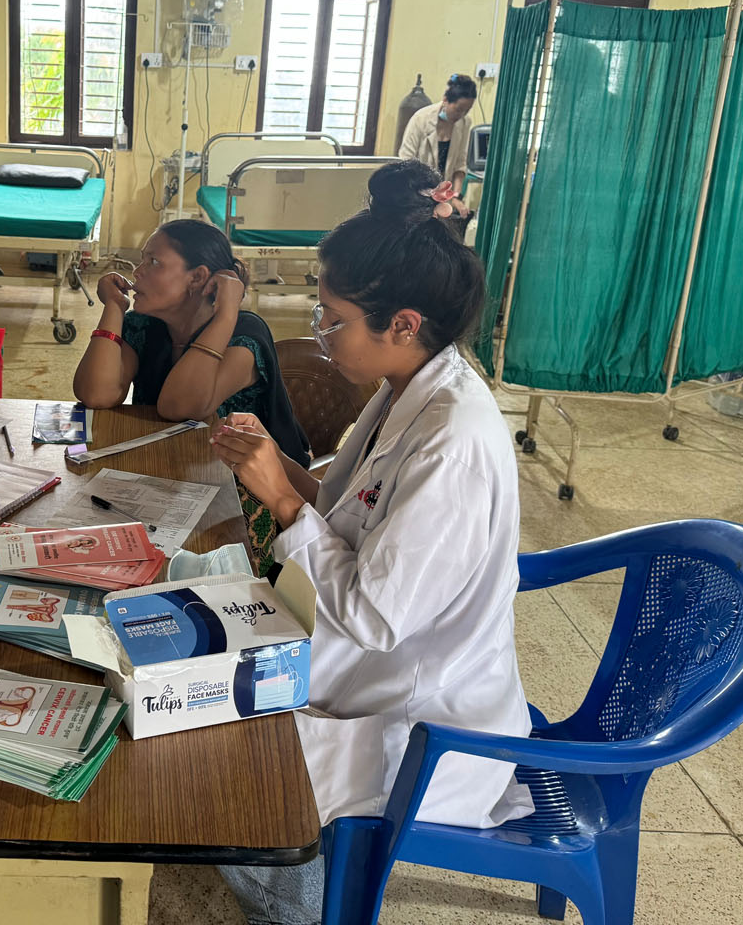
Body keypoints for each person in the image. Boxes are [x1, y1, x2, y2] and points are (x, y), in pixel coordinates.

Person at [209, 160, 532, 925]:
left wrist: (282, 497)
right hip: (363, 665)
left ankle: (300, 906)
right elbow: (351, 511)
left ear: (404, 325)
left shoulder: (453, 441)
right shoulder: (406, 388)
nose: (321, 336)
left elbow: (375, 616)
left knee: (213, 763)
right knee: (191, 670)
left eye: (333, 320)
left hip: (418, 719)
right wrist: (275, 463)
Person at [74, 219, 309, 567]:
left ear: (198, 278)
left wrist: (226, 314)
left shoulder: (244, 334)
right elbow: (96, 393)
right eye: (142, 260)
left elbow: (180, 406)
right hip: (173, 476)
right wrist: (113, 309)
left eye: (154, 262)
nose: (137, 272)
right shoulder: (146, 326)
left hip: (251, 499)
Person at [399, 72, 477, 190]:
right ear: (445, 100)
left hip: (444, 192)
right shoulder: (420, 119)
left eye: (467, 110)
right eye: (458, 110)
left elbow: (460, 164)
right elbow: (406, 160)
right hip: (417, 189)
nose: (461, 115)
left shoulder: (465, 122)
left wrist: (456, 195)